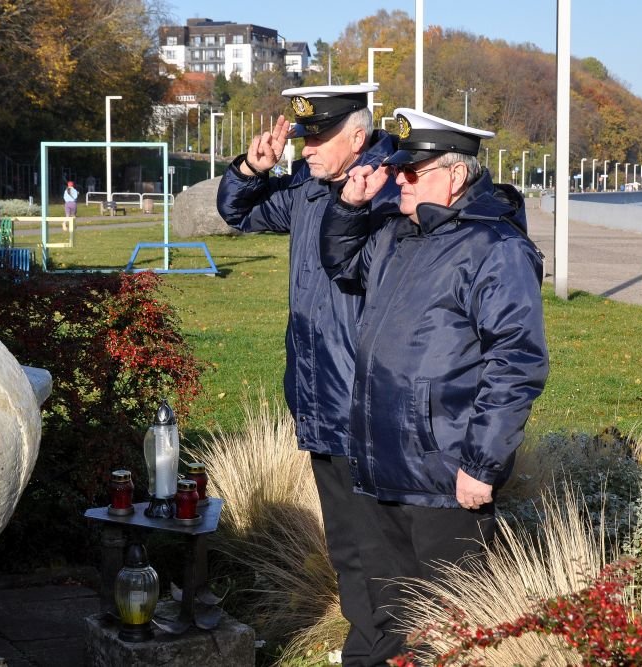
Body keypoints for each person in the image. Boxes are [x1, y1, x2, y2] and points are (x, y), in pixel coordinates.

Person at [319, 108, 550, 663]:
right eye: (397, 168)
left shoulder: (496, 247)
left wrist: (482, 462)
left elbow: (516, 360)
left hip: (444, 472)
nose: (397, 178)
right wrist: (349, 206)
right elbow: (342, 263)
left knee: (449, 627)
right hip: (379, 463)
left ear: (455, 174)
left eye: (411, 171)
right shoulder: (401, 233)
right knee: (385, 616)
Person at [216, 85, 400, 666]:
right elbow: (237, 211)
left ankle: (391, 648)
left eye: (317, 137)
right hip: (318, 390)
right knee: (346, 542)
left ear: (357, 135)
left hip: (369, 397)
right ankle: (364, 645)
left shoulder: (390, 188)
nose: (306, 149)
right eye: (302, 137)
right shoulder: (306, 189)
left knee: (381, 544)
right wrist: (252, 167)